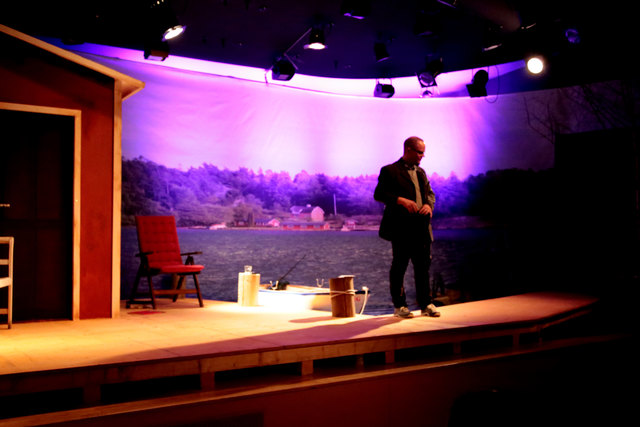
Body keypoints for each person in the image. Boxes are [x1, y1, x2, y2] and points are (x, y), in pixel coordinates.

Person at [374, 136, 440, 318]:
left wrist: (429, 206)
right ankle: (400, 306)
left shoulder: (421, 172)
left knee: (422, 268)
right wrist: (400, 200)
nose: (422, 156)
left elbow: (430, 194)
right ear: (408, 149)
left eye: (423, 153)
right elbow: (379, 194)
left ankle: (426, 304)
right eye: (419, 152)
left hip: (421, 228)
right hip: (401, 229)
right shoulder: (390, 170)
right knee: (399, 267)